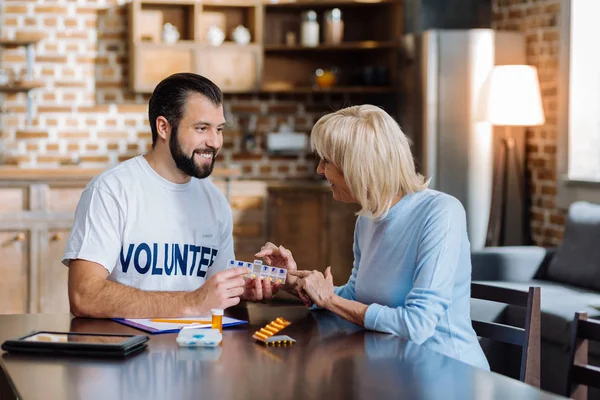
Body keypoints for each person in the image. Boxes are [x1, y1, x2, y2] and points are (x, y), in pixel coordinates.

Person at [256, 104, 489, 370]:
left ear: (357, 166)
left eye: (326, 161)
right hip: (391, 367)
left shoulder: (441, 213)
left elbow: (417, 325)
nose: (320, 170)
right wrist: (292, 280)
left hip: (446, 373)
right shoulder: (368, 218)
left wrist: (330, 299)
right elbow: (356, 296)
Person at [63, 73, 276, 319]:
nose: (215, 142)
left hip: (198, 349)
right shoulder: (111, 191)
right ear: (163, 127)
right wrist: (191, 302)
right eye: (201, 128)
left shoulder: (215, 201)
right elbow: (84, 295)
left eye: (219, 129)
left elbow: (216, 298)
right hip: (128, 350)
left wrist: (242, 290)